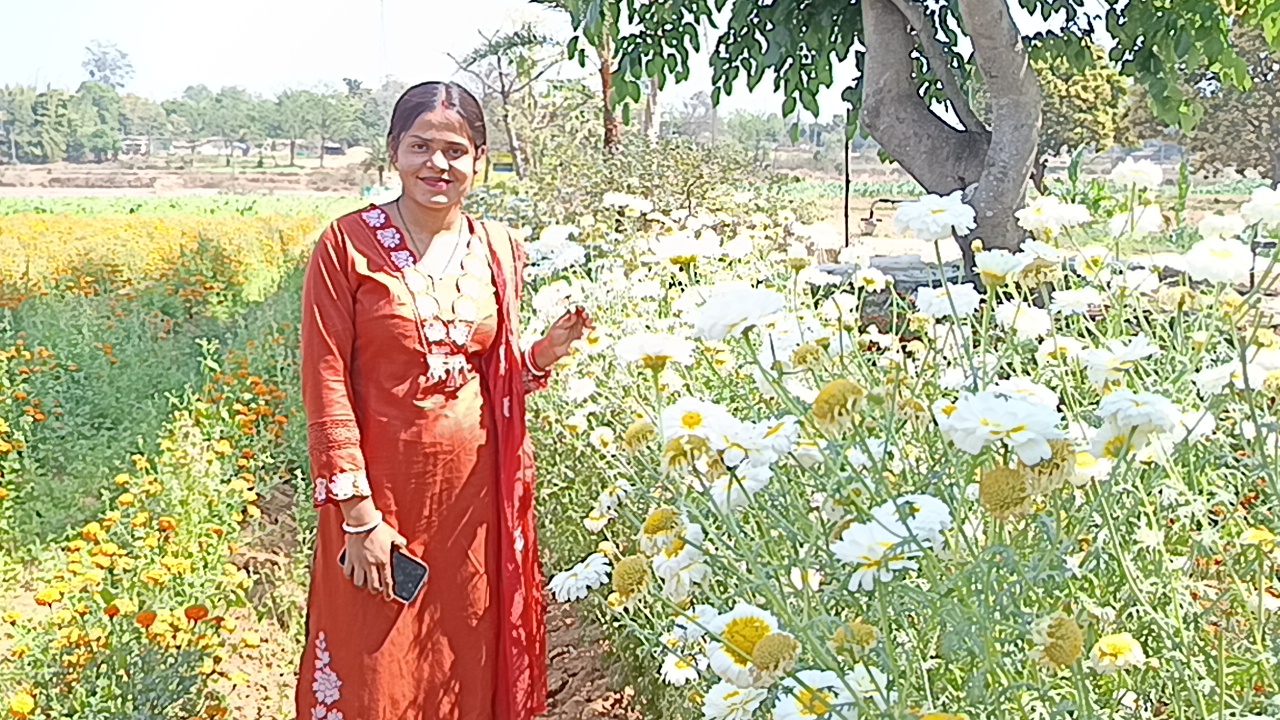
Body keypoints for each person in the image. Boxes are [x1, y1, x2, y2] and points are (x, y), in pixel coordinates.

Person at [295, 81, 592, 720]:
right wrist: (357, 518)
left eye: (455, 150)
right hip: (380, 504)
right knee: (375, 665)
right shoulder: (346, 247)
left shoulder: (500, 249)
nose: (438, 164)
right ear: (393, 153)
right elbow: (325, 384)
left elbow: (495, 377)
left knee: (462, 658)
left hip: (472, 508)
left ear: (479, 161)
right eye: (420, 146)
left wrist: (542, 354)